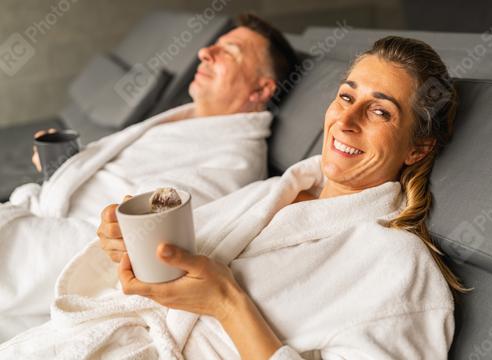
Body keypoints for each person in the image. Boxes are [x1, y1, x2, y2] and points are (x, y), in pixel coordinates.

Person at [0, 36, 468, 359]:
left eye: (380, 111)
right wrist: (123, 248)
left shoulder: (399, 265)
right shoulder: (275, 191)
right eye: (347, 97)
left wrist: (228, 302)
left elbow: (213, 295)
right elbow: (178, 277)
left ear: (417, 147)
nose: (347, 121)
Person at [0, 13, 299, 342]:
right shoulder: (188, 120)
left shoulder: (232, 159)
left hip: (69, 246)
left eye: (229, 52)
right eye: (212, 45)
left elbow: (151, 240)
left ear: (261, 89)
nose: (204, 53)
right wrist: (69, 166)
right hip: (47, 212)